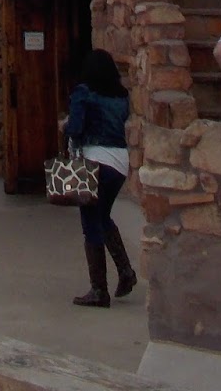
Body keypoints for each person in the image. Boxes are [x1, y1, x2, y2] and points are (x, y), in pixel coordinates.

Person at [64, 48, 137, 308]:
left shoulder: (83, 92)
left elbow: (76, 128)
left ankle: (99, 289)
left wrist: (65, 125)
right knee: (103, 216)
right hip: (119, 162)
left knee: (90, 223)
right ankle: (125, 271)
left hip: (93, 160)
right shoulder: (121, 95)